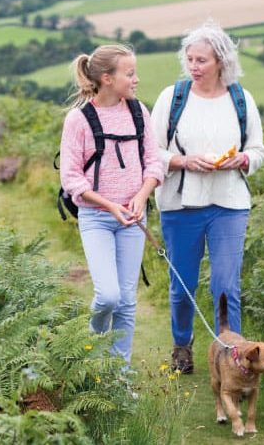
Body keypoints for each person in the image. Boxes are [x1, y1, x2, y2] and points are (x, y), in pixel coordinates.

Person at [149, 22, 264, 374]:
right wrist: (182, 160)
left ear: (221, 62)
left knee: (226, 284)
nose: (194, 66)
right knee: (183, 285)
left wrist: (243, 159)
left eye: (201, 60)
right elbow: (151, 152)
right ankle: (182, 346)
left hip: (229, 202)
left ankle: (232, 358)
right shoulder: (173, 97)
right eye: (189, 59)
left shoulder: (241, 99)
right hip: (180, 204)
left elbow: (258, 149)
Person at [59, 44, 164, 363]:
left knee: (127, 301)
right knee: (108, 296)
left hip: (133, 219)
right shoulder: (78, 120)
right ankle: (91, 350)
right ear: (107, 78)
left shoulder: (138, 112)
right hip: (96, 218)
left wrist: (141, 196)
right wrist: (110, 205)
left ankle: (121, 378)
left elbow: (154, 162)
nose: (136, 79)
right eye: (129, 74)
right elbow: (71, 178)